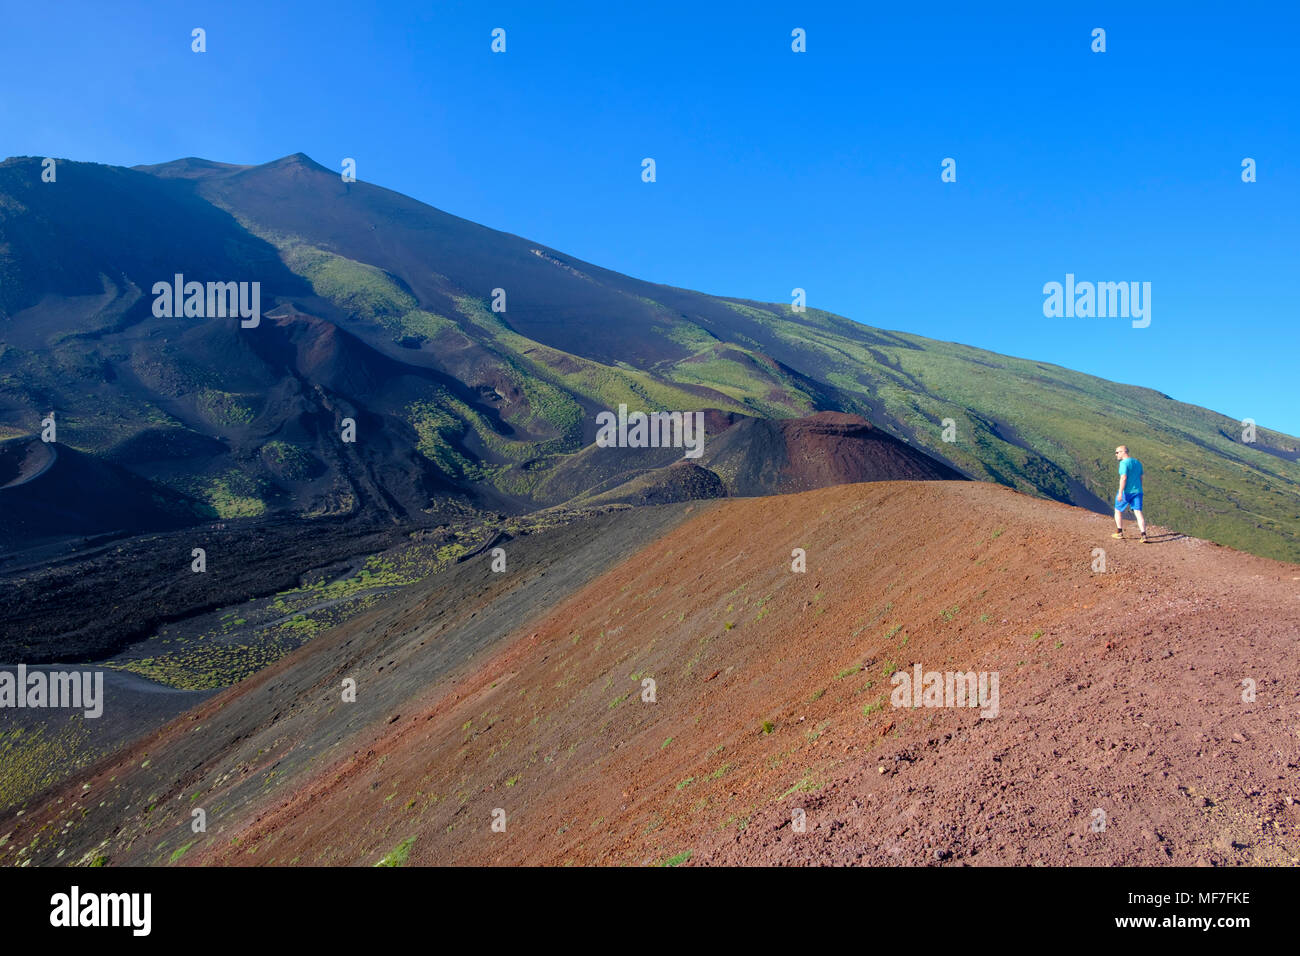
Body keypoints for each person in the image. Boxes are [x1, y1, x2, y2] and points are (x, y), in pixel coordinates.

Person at [1111, 445, 1147, 542]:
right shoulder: (1138, 462)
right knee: (1138, 512)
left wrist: (1120, 493)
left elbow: (1123, 478)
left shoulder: (1123, 463)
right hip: (1138, 491)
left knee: (1118, 510)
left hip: (1126, 492)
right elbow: (1141, 477)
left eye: (1117, 452)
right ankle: (1143, 535)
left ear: (1123, 452)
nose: (1116, 454)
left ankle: (1119, 532)